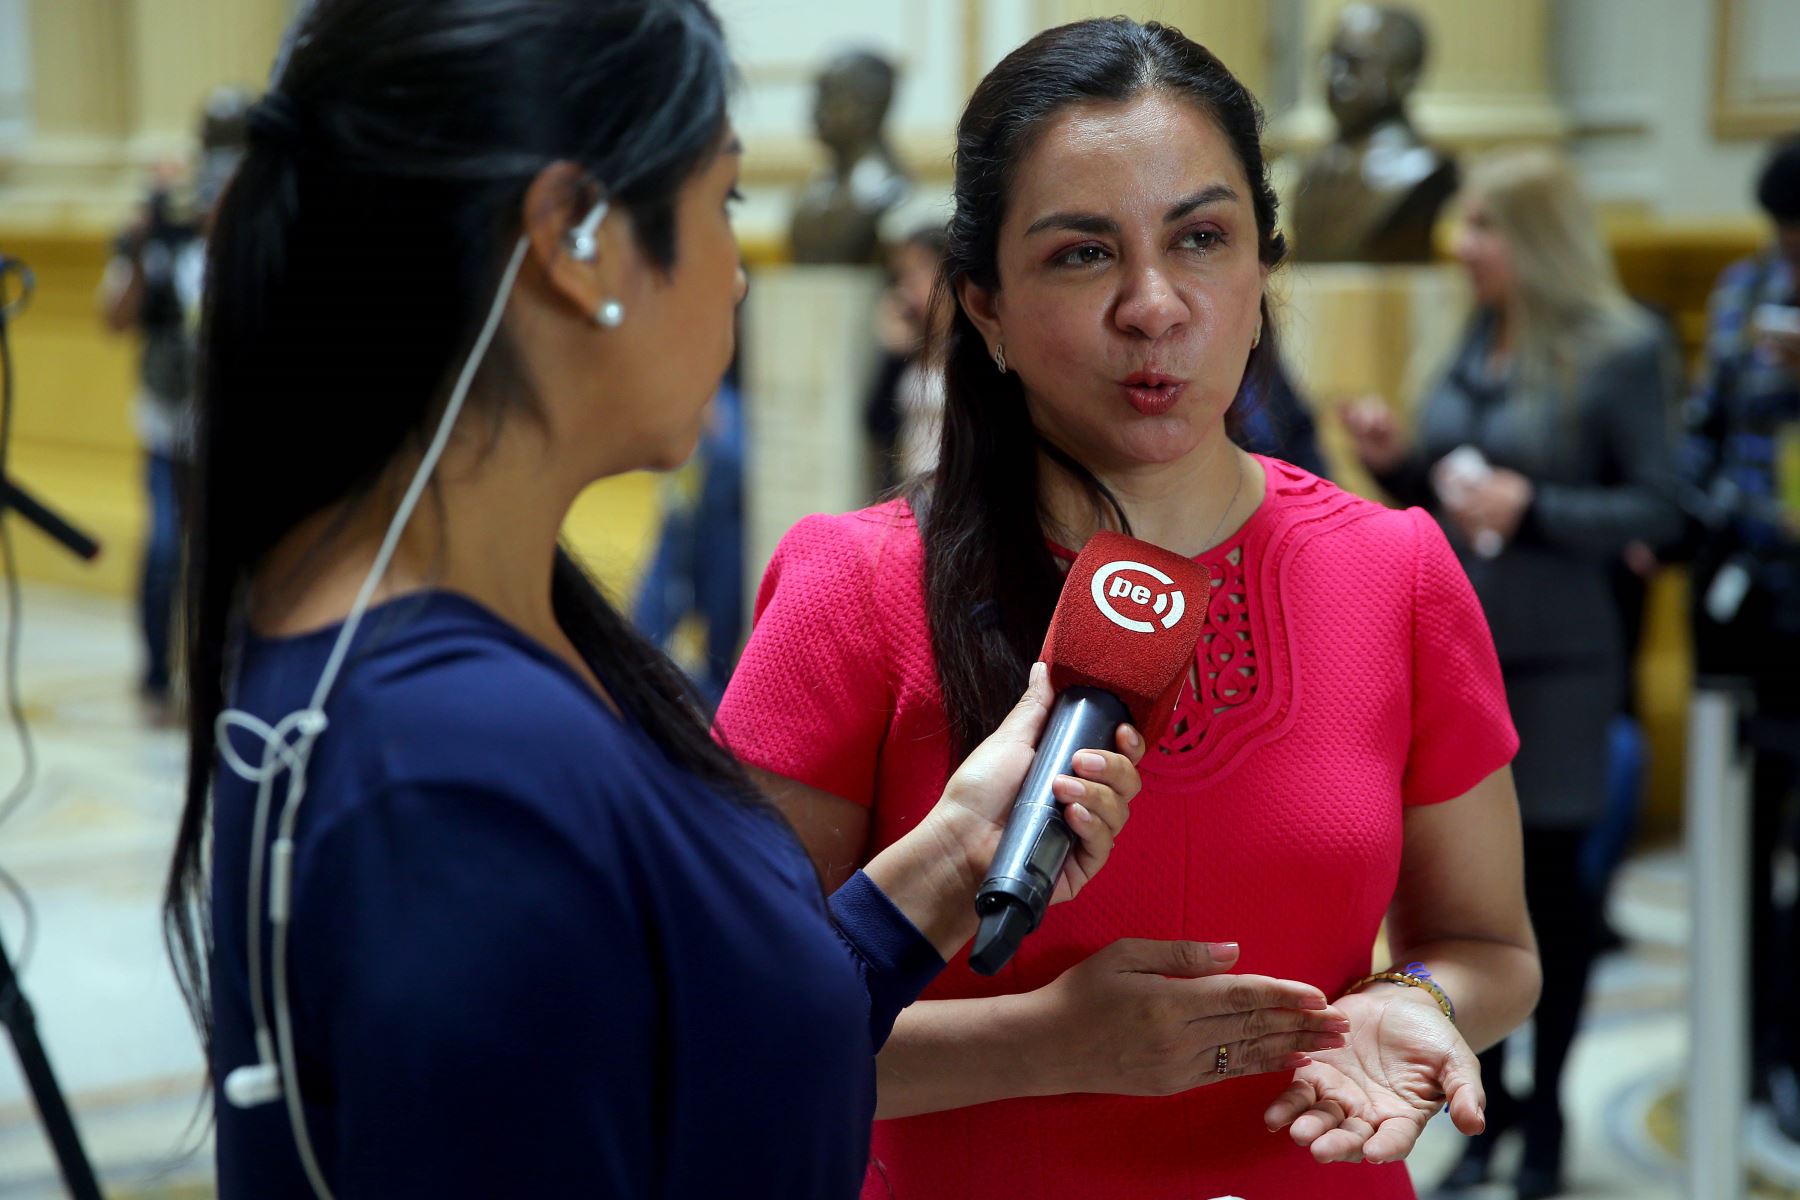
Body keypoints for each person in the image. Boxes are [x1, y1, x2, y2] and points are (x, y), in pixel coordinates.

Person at [159, 3, 1153, 1197]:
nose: (737, 272)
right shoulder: (462, 765)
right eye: (722, 203)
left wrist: (932, 880)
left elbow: (680, 1050)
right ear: (577, 238)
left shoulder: (476, 638)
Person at [718, 18, 1540, 1200]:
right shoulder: (854, 587)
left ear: (1264, 271)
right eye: (1080, 255)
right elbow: (735, 1031)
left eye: (1202, 239)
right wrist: (1046, 1046)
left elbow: (1491, 947)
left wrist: (1408, 1005)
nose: (1154, 307)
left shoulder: (1396, 569)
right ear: (985, 306)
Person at [1345, 147, 1684, 1199]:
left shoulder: (1621, 350)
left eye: (1485, 225)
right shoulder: (1470, 337)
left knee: (1550, 907)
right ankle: (1482, 1118)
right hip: (1451, 664)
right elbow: (1444, 495)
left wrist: (1533, 509)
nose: (1464, 245)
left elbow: (1661, 512)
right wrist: (1395, 459)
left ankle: (1546, 1123)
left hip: (1560, 669)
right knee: (1452, 903)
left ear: (1534, 236)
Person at [1678, 131, 1800, 1142]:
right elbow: (1703, 430)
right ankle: (1756, 1051)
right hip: (1754, 599)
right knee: (1744, 839)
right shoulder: (1742, 289)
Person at [98, 87, 251, 724]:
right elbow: (114, 319)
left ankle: (225, 678)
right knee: (166, 550)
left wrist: (234, 230)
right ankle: (157, 678)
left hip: (235, 432)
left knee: (233, 557)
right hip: (167, 423)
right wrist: (140, 244)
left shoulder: (258, 221)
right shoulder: (162, 227)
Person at [865, 223, 950, 488]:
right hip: (911, 491)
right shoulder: (912, 343)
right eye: (901, 277)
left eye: (916, 272)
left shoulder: (979, 340)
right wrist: (892, 355)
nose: (905, 288)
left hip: (961, 492)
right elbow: (876, 424)